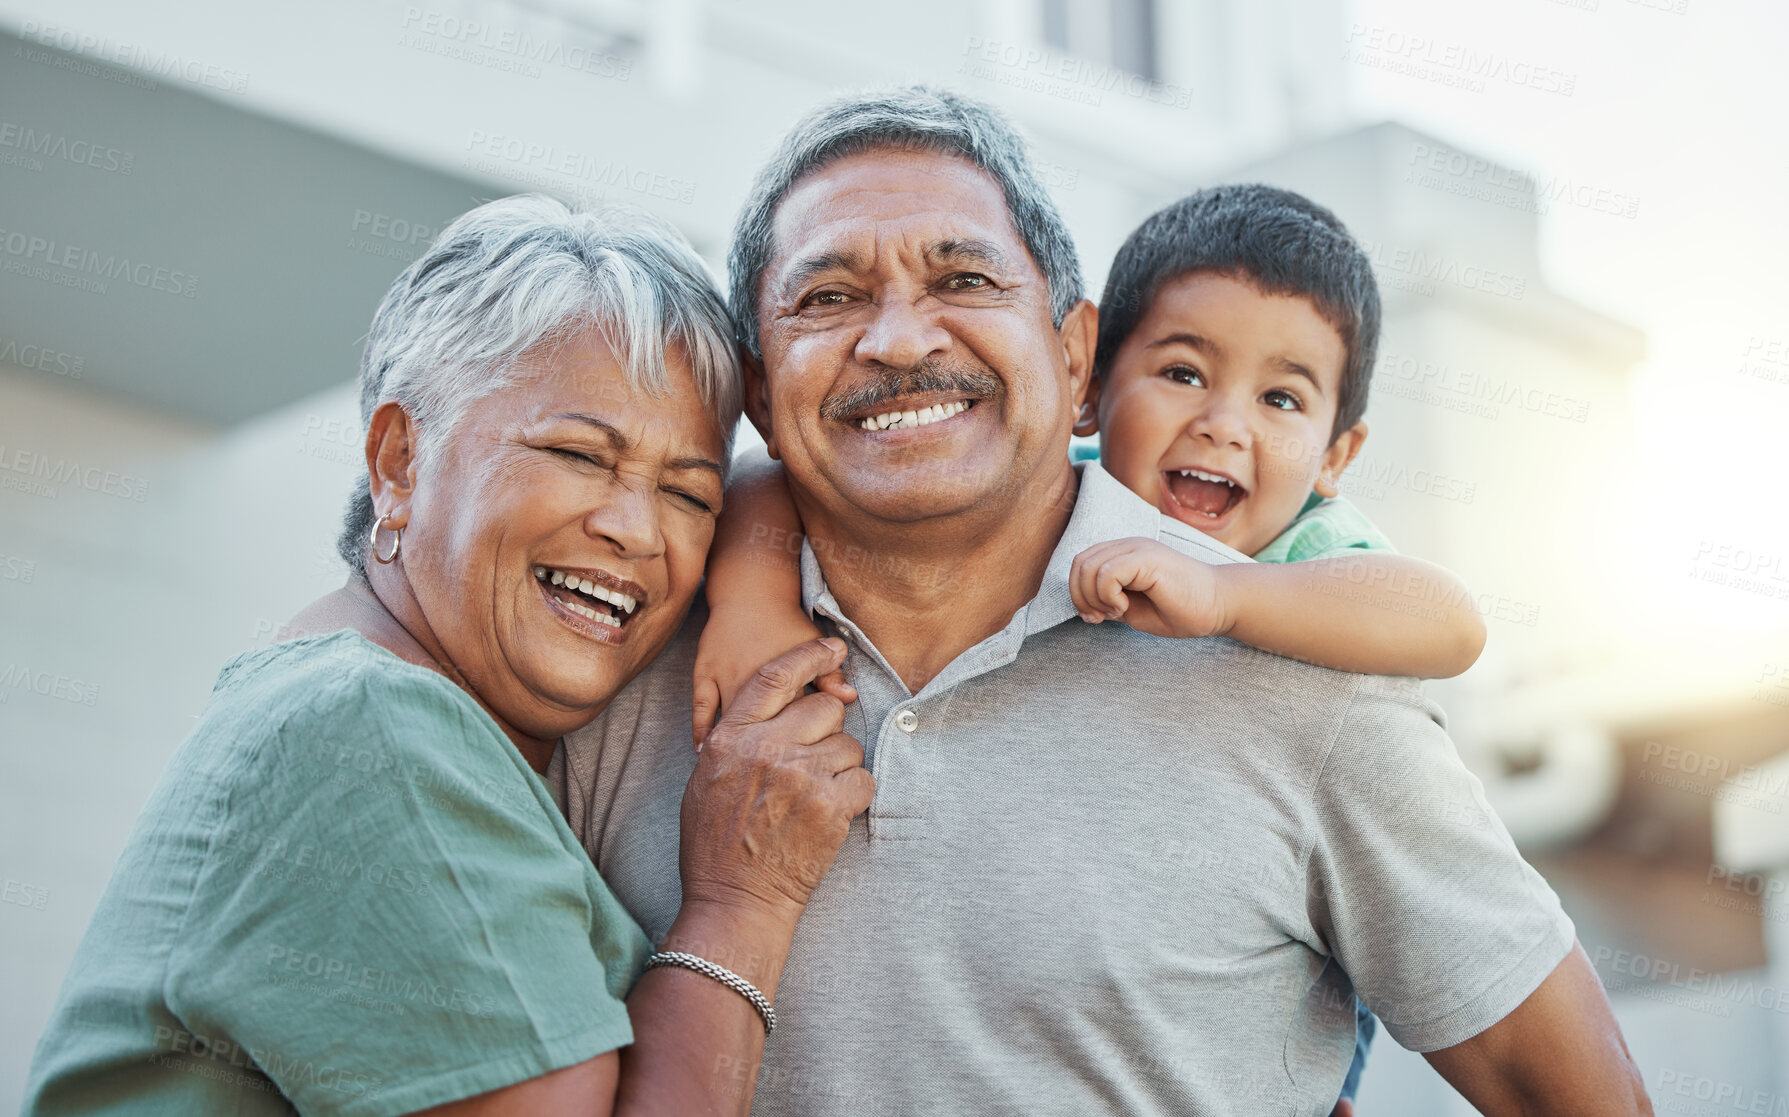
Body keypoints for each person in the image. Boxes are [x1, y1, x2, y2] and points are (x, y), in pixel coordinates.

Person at [560, 87, 1652, 1114]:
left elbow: (1563, 1088)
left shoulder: (1300, 665)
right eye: (829, 296)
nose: (897, 340)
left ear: (1074, 351)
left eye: (964, 281)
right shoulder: (614, 666)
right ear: (757, 386)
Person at [21, 195, 873, 1116]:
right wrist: (741, 902)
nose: (635, 529)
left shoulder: (372, 700)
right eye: (578, 455)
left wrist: (753, 570)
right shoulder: (370, 727)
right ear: (397, 461)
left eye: (687, 493)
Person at [697, 180, 1465, 1111]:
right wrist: (751, 601)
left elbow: (1450, 620)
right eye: (1182, 374)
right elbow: (760, 475)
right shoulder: (1054, 482)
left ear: (1336, 457)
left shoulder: (1308, 546)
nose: (1225, 422)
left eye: (1281, 398)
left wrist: (1227, 593)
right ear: (1088, 385)